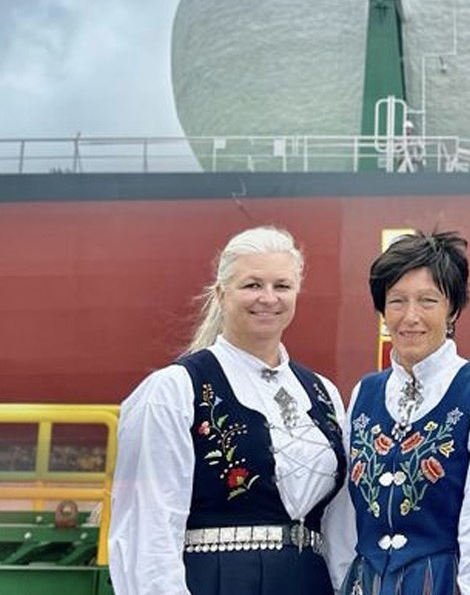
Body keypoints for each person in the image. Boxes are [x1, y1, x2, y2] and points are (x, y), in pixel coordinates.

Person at [110, 226, 355, 595]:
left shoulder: (324, 394)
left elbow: (339, 525)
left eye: (282, 286)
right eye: (252, 285)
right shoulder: (174, 389)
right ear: (221, 294)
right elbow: (147, 529)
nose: (268, 298)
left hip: (309, 583)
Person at [342, 231, 470, 595]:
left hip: (442, 582)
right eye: (397, 301)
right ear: (382, 311)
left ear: (452, 309)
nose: (410, 317)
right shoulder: (365, 393)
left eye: (428, 300)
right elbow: (346, 517)